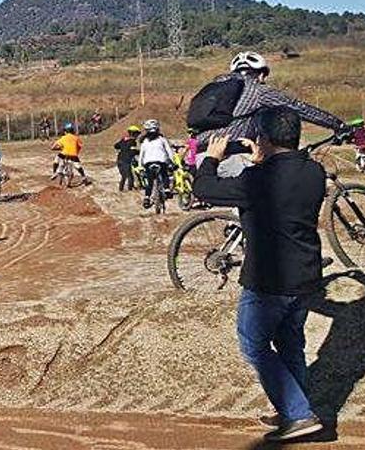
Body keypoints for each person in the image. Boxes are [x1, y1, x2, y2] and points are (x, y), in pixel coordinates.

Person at [193, 106, 326, 442]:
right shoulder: (315, 172)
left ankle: (298, 414)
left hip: (269, 280)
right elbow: (281, 189)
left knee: (253, 343)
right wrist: (262, 160)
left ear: (262, 139)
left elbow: (204, 189)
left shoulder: (257, 180)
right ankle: (291, 408)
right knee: (290, 342)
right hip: (306, 276)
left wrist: (211, 157)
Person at [188, 51, 348, 152]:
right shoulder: (258, 91)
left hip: (202, 151)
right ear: (261, 74)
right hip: (232, 153)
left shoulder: (216, 85)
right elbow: (299, 108)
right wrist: (338, 125)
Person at [138, 119, 175, 209]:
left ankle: (147, 197)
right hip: (161, 161)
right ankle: (166, 189)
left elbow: (141, 155)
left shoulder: (145, 141)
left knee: (149, 181)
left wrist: (140, 166)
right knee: (164, 174)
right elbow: (169, 151)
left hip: (148, 162)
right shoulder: (162, 139)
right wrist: (172, 161)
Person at [114, 126, 141, 191]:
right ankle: (130, 190)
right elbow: (132, 151)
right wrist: (140, 152)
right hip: (126, 161)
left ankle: (121, 189)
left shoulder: (124, 139)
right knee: (130, 177)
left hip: (119, 160)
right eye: (137, 134)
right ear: (134, 134)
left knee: (124, 176)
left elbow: (116, 146)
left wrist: (122, 145)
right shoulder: (132, 141)